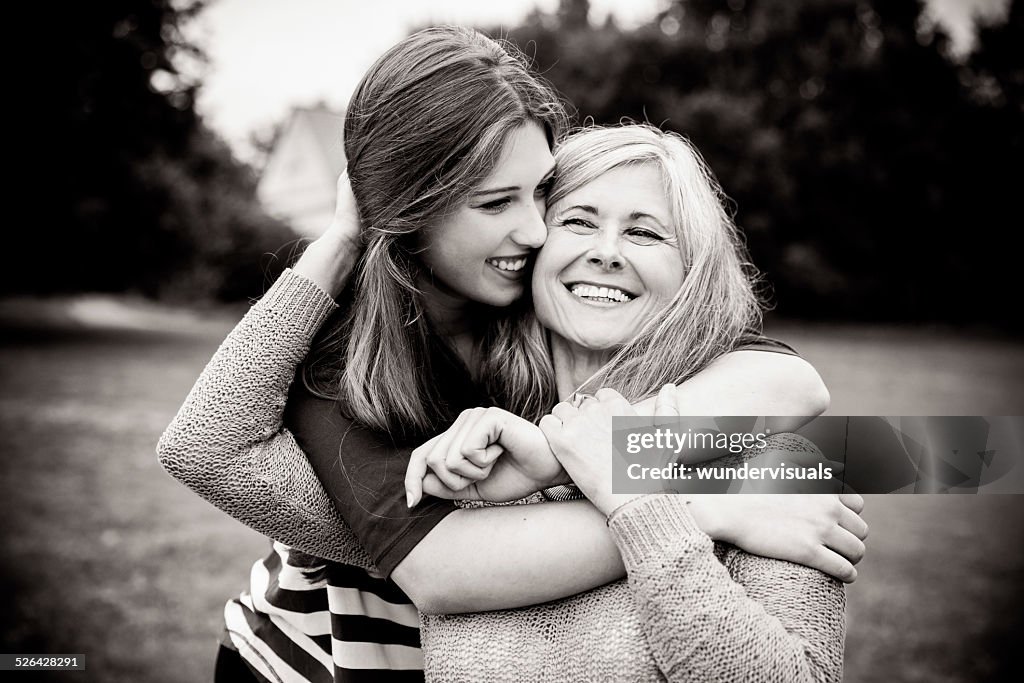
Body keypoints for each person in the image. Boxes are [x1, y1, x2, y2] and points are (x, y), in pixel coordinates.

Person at [158, 28, 858, 683]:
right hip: (303, 662)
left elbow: (805, 390)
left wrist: (586, 454)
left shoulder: (545, 303)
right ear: (410, 208)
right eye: (499, 204)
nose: (534, 230)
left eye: (543, 195)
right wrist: (703, 498)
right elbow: (439, 566)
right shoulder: (352, 358)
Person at [398, 125, 859, 680]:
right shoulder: (469, 439)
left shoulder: (763, 457)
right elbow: (264, 479)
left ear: (694, 271)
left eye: (645, 234)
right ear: (530, 246)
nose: (607, 253)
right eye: (578, 221)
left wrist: (632, 495)